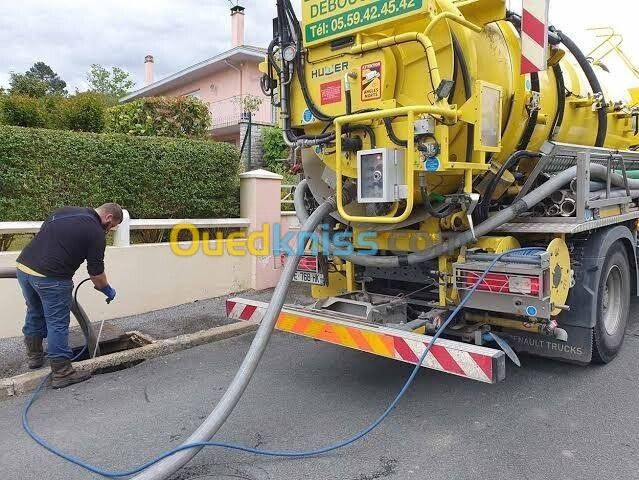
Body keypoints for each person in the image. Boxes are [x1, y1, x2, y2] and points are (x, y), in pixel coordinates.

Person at [16, 203, 123, 389]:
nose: (110, 230)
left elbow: (47, 237)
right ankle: (62, 373)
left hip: (24, 269)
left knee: (35, 311)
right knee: (57, 323)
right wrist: (106, 289)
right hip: (52, 278)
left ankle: (34, 357)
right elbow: (97, 276)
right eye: (112, 226)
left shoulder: (64, 211)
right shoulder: (96, 232)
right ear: (109, 218)